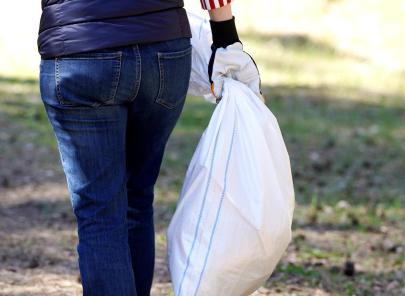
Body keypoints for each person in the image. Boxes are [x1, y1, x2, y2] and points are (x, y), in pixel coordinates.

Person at [38, 0, 261, 295]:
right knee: (136, 198)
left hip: (81, 48)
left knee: (100, 211)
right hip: (163, 51)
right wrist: (225, 37)